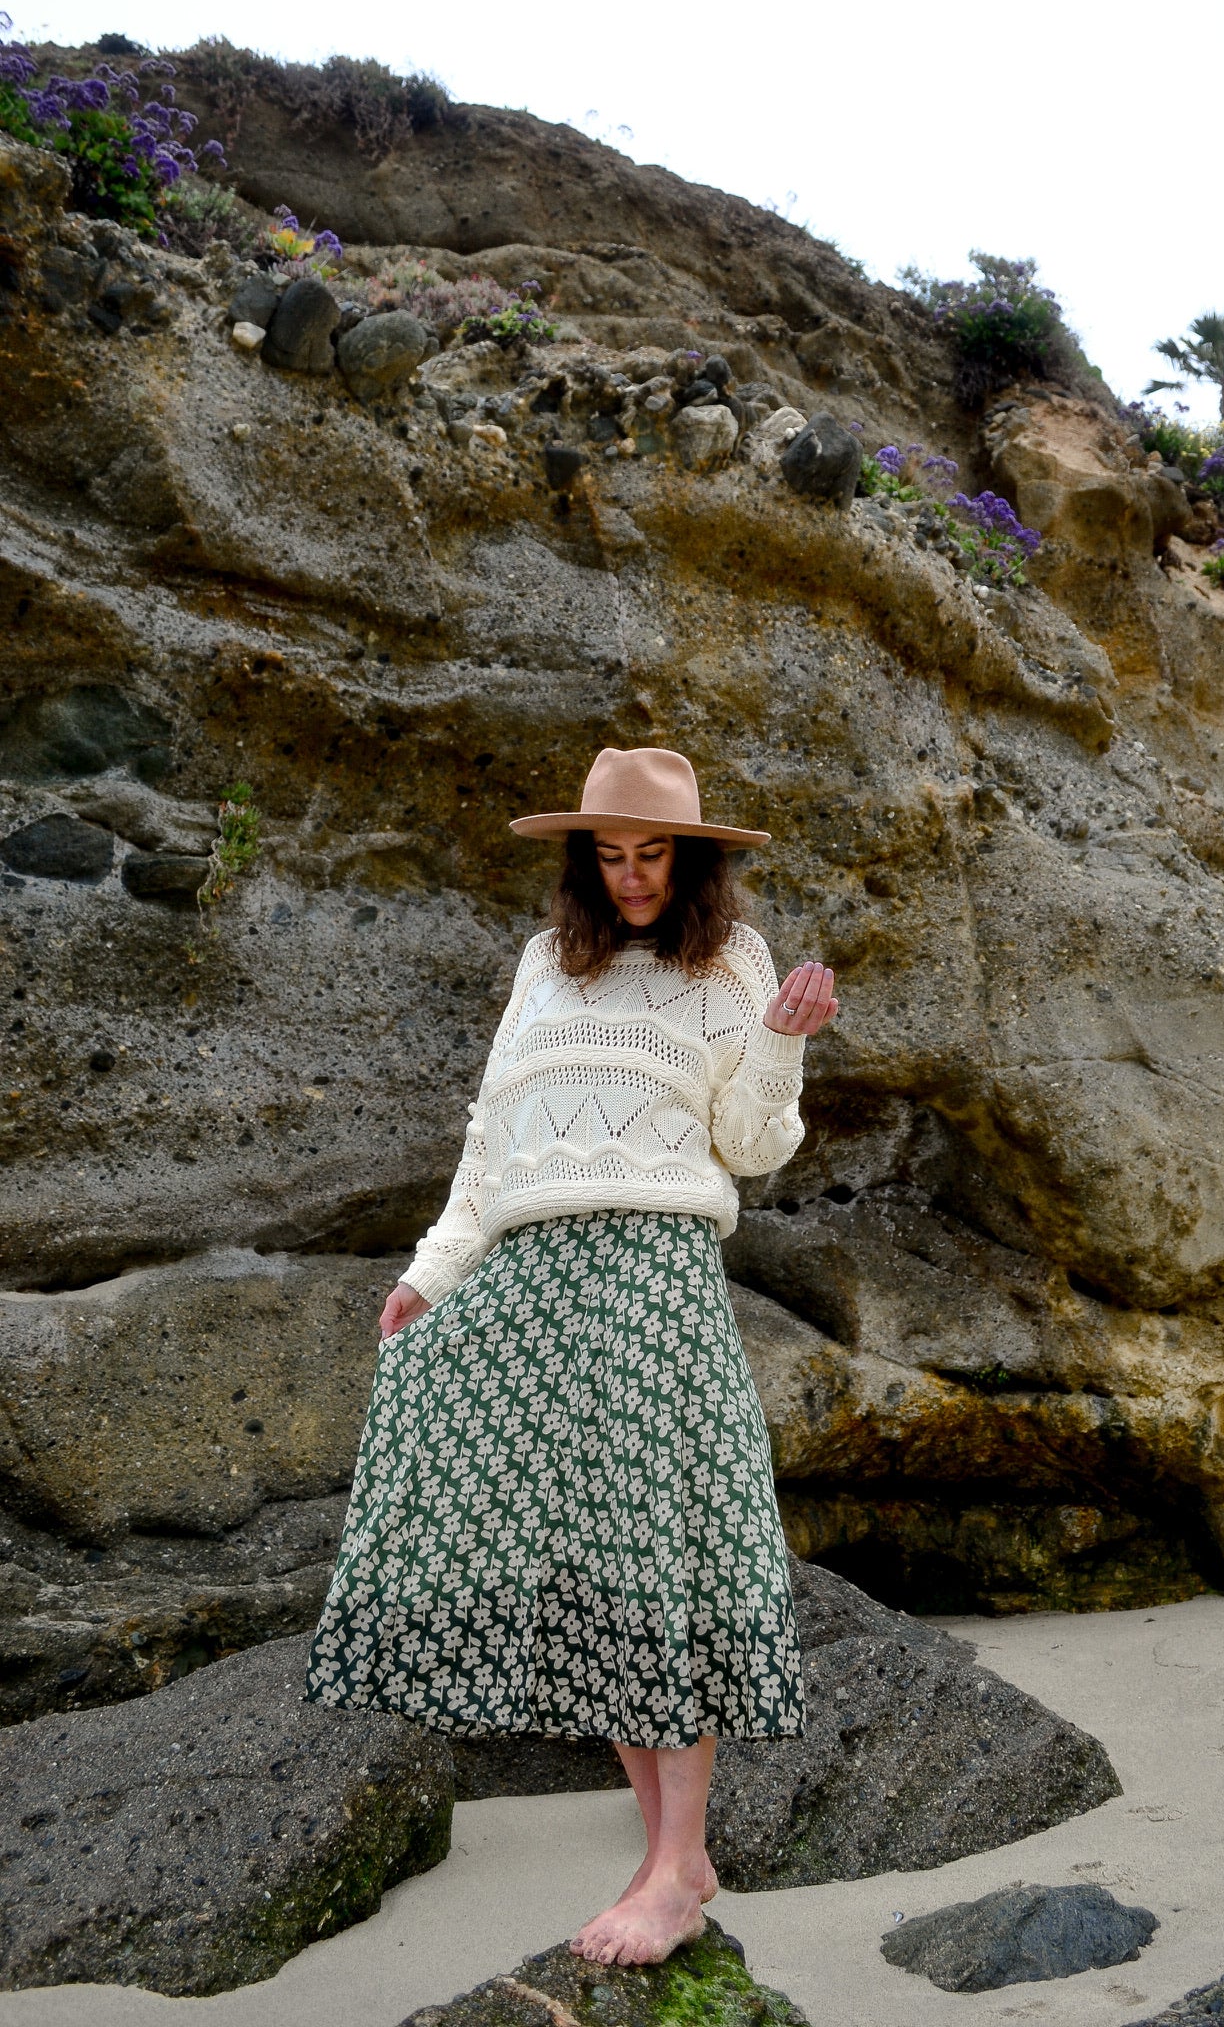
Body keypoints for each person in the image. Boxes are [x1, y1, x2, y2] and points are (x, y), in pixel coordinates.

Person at [305, 746, 837, 1967]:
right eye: (610, 853)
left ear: (692, 860)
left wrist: (782, 1044)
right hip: (531, 1275)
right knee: (582, 1559)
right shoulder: (546, 963)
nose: (632, 875)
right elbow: (492, 1135)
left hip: (652, 1273)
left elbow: (753, 1147)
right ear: (582, 859)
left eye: (653, 854)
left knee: (657, 1554)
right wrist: (430, 1274)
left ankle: (672, 1865)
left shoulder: (732, 964)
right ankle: (670, 1856)